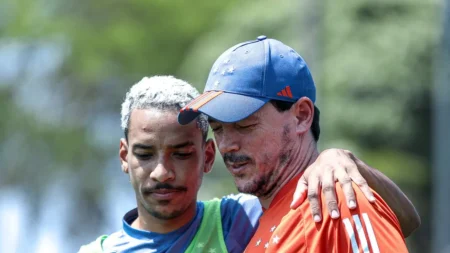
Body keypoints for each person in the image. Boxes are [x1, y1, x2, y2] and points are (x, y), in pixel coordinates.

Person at [79, 76, 417, 253]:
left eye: (181, 153)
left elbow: (406, 220)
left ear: (208, 157)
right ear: (124, 156)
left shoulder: (240, 219)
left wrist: (341, 159)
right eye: (145, 153)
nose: (162, 172)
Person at [178, 36, 417, 252]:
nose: (227, 146)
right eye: (217, 129)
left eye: (244, 125)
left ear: (301, 115)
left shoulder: (336, 201)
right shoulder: (259, 221)